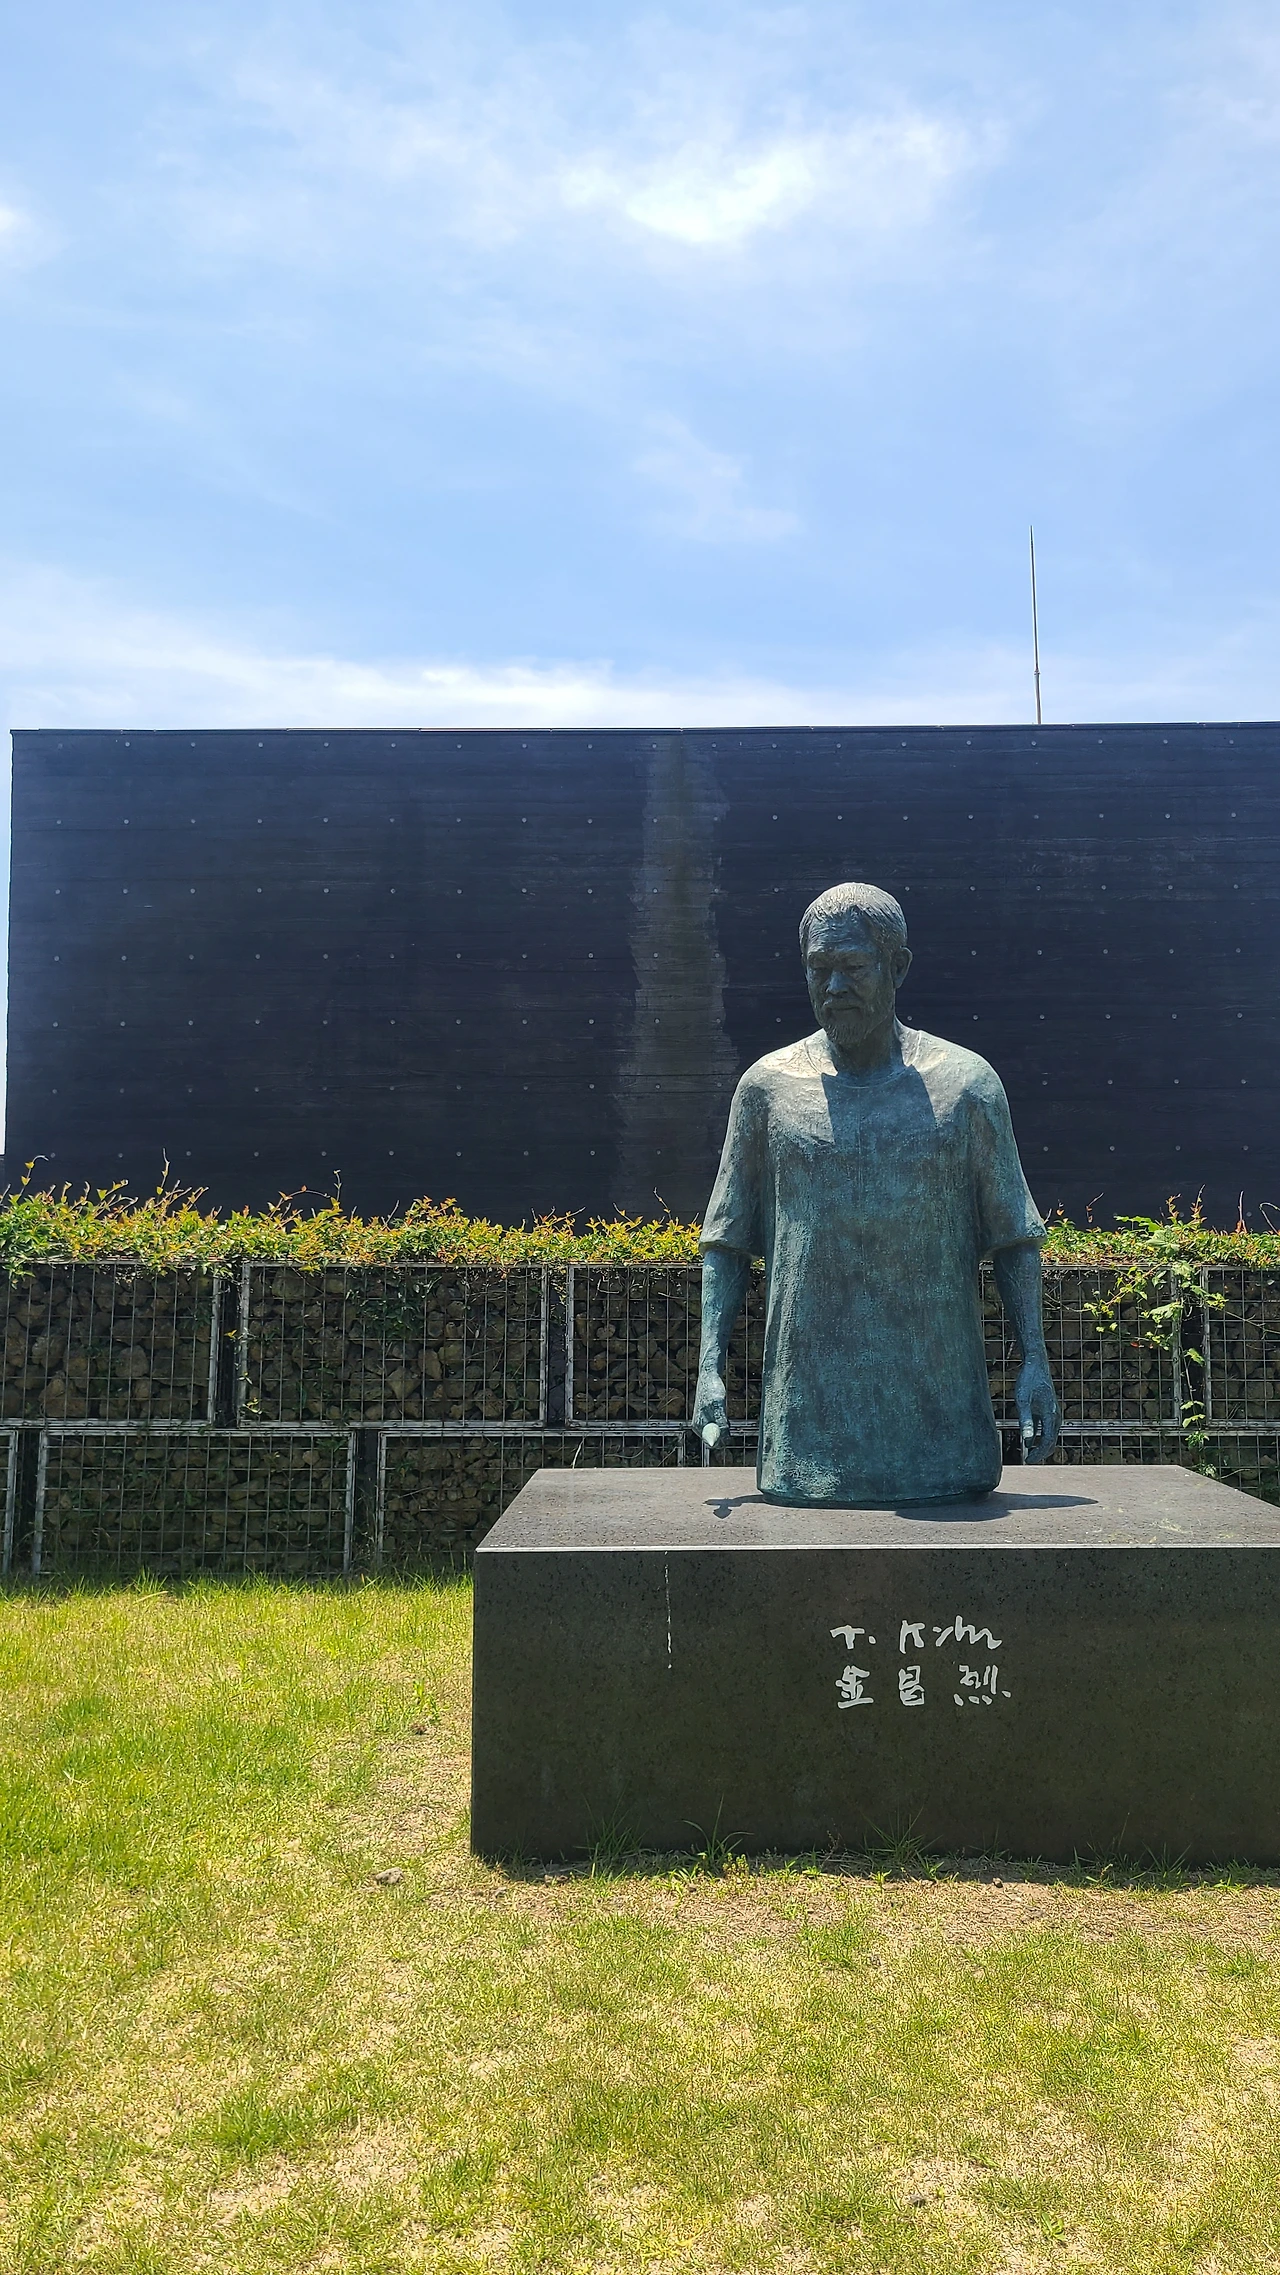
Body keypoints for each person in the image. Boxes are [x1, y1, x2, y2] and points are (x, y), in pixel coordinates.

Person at [692, 881, 1060, 1504]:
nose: (835, 987)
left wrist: (1036, 1363)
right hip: (805, 1437)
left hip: (944, 1434)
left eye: (854, 967)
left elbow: (1013, 1236)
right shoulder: (767, 1090)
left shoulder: (966, 1087)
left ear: (898, 967)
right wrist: (708, 1368)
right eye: (820, 969)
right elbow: (726, 1241)